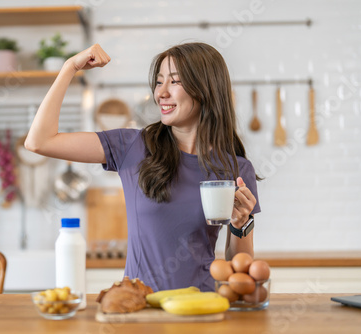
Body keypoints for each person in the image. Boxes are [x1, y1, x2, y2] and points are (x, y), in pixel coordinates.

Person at [25, 42, 260, 292]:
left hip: (200, 307)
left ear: (206, 89)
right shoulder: (132, 146)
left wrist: (240, 223)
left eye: (175, 81)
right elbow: (39, 142)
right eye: (159, 82)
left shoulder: (235, 168)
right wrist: (69, 67)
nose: (161, 93)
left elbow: (239, 269)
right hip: (139, 306)